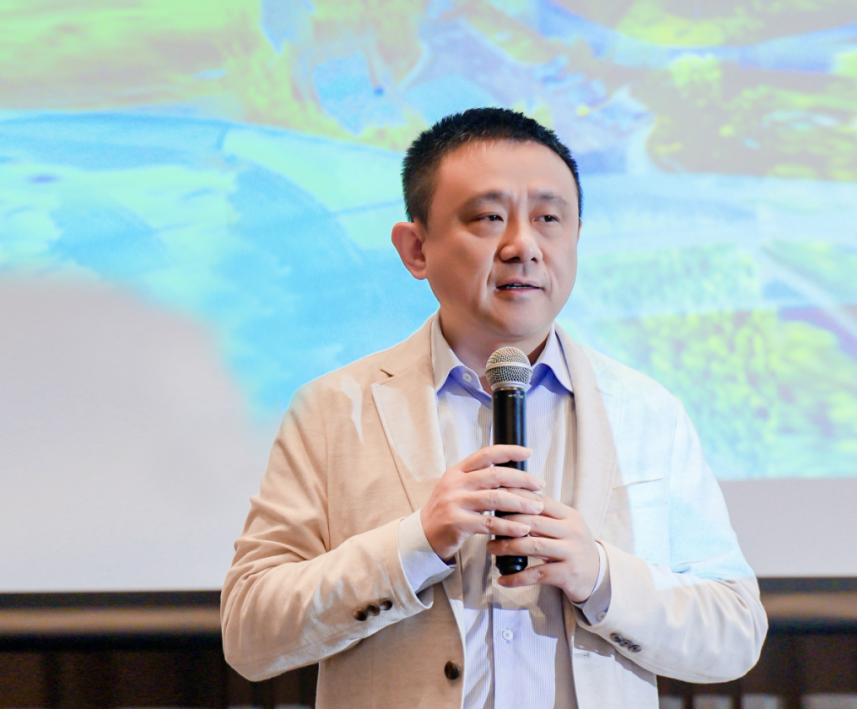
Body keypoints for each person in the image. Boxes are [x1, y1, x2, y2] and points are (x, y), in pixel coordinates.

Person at [221, 107, 767, 709]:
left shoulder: (646, 411)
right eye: (488, 218)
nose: (523, 246)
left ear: (576, 237)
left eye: (549, 218)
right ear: (415, 248)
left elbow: (735, 630)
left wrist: (599, 577)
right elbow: (250, 633)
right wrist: (415, 545)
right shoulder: (333, 410)